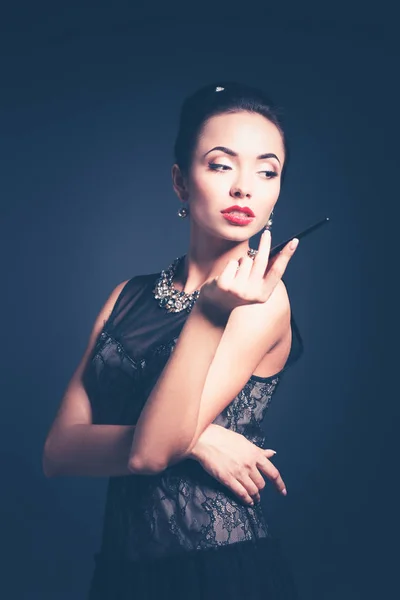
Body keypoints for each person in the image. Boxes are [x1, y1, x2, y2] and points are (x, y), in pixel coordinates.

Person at [43, 81, 304, 599]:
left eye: (267, 170)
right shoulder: (128, 296)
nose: (244, 188)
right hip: (122, 571)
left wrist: (209, 312)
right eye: (221, 164)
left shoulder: (263, 302)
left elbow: (151, 454)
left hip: (221, 570)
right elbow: (59, 450)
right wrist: (200, 441)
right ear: (181, 183)